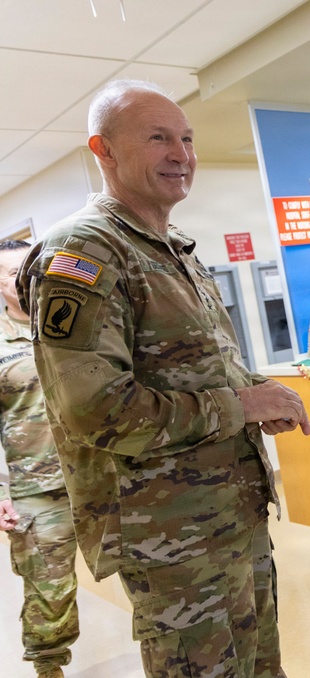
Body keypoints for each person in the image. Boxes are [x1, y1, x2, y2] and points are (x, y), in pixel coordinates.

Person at [15, 79, 310, 678]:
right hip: (171, 536)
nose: (181, 155)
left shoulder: (172, 248)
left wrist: (261, 393)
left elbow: (202, 363)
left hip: (231, 512)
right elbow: (94, 410)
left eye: (187, 139)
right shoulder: (86, 251)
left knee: (261, 667)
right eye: (158, 138)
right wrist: (242, 405)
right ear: (103, 150)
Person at [0, 239, 78, 678]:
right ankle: (49, 668)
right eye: (14, 273)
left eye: (35, 266)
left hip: (110, 477)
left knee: (152, 574)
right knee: (50, 593)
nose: (28, 278)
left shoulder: (80, 324)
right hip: (39, 489)